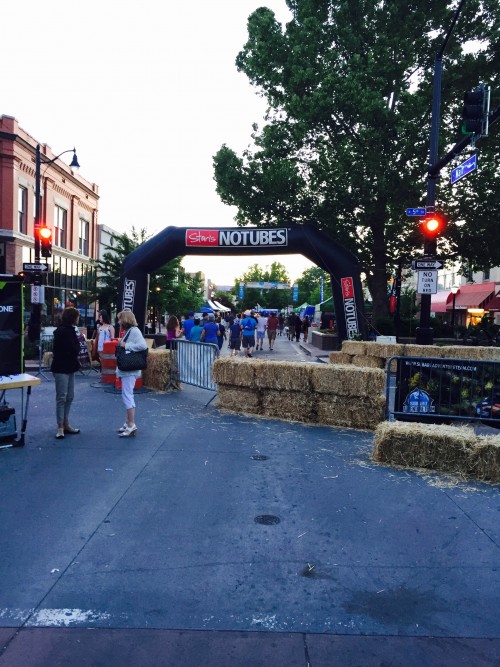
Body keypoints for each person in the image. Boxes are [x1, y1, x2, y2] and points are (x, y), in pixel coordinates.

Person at [116, 310, 148, 438]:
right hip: (129, 370)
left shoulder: (134, 331)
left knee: (127, 396)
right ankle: (127, 422)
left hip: (130, 370)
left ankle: (131, 425)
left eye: (120, 319)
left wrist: (125, 345)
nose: (118, 322)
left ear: (125, 320)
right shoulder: (131, 331)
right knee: (127, 395)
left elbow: (142, 346)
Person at [51, 306, 81, 439]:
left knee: (68, 396)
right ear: (73, 318)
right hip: (63, 367)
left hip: (67, 366)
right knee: (63, 397)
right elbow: (74, 348)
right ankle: (60, 426)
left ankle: (64, 423)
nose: (78, 319)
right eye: (77, 316)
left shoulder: (66, 330)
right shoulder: (64, 331)